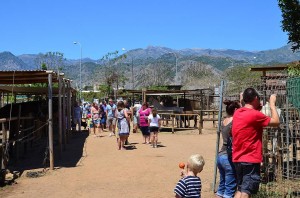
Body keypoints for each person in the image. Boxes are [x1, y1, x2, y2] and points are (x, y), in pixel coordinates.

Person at [232, 88, 280, 198]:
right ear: (256, 98)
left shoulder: (238, 113)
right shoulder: (255, 115)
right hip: (250, 158)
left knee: (240, 189)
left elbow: (249, 113)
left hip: (238, 158)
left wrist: (256, 106)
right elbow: (276, 122)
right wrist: (272, 104)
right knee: (246, 191)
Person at [216, 100, 241, 198]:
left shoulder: (224, 121)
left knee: (222, 187)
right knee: (230, 188)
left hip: (221, 156)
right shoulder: (235, 121)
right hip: (228, 156)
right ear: (235, 110)